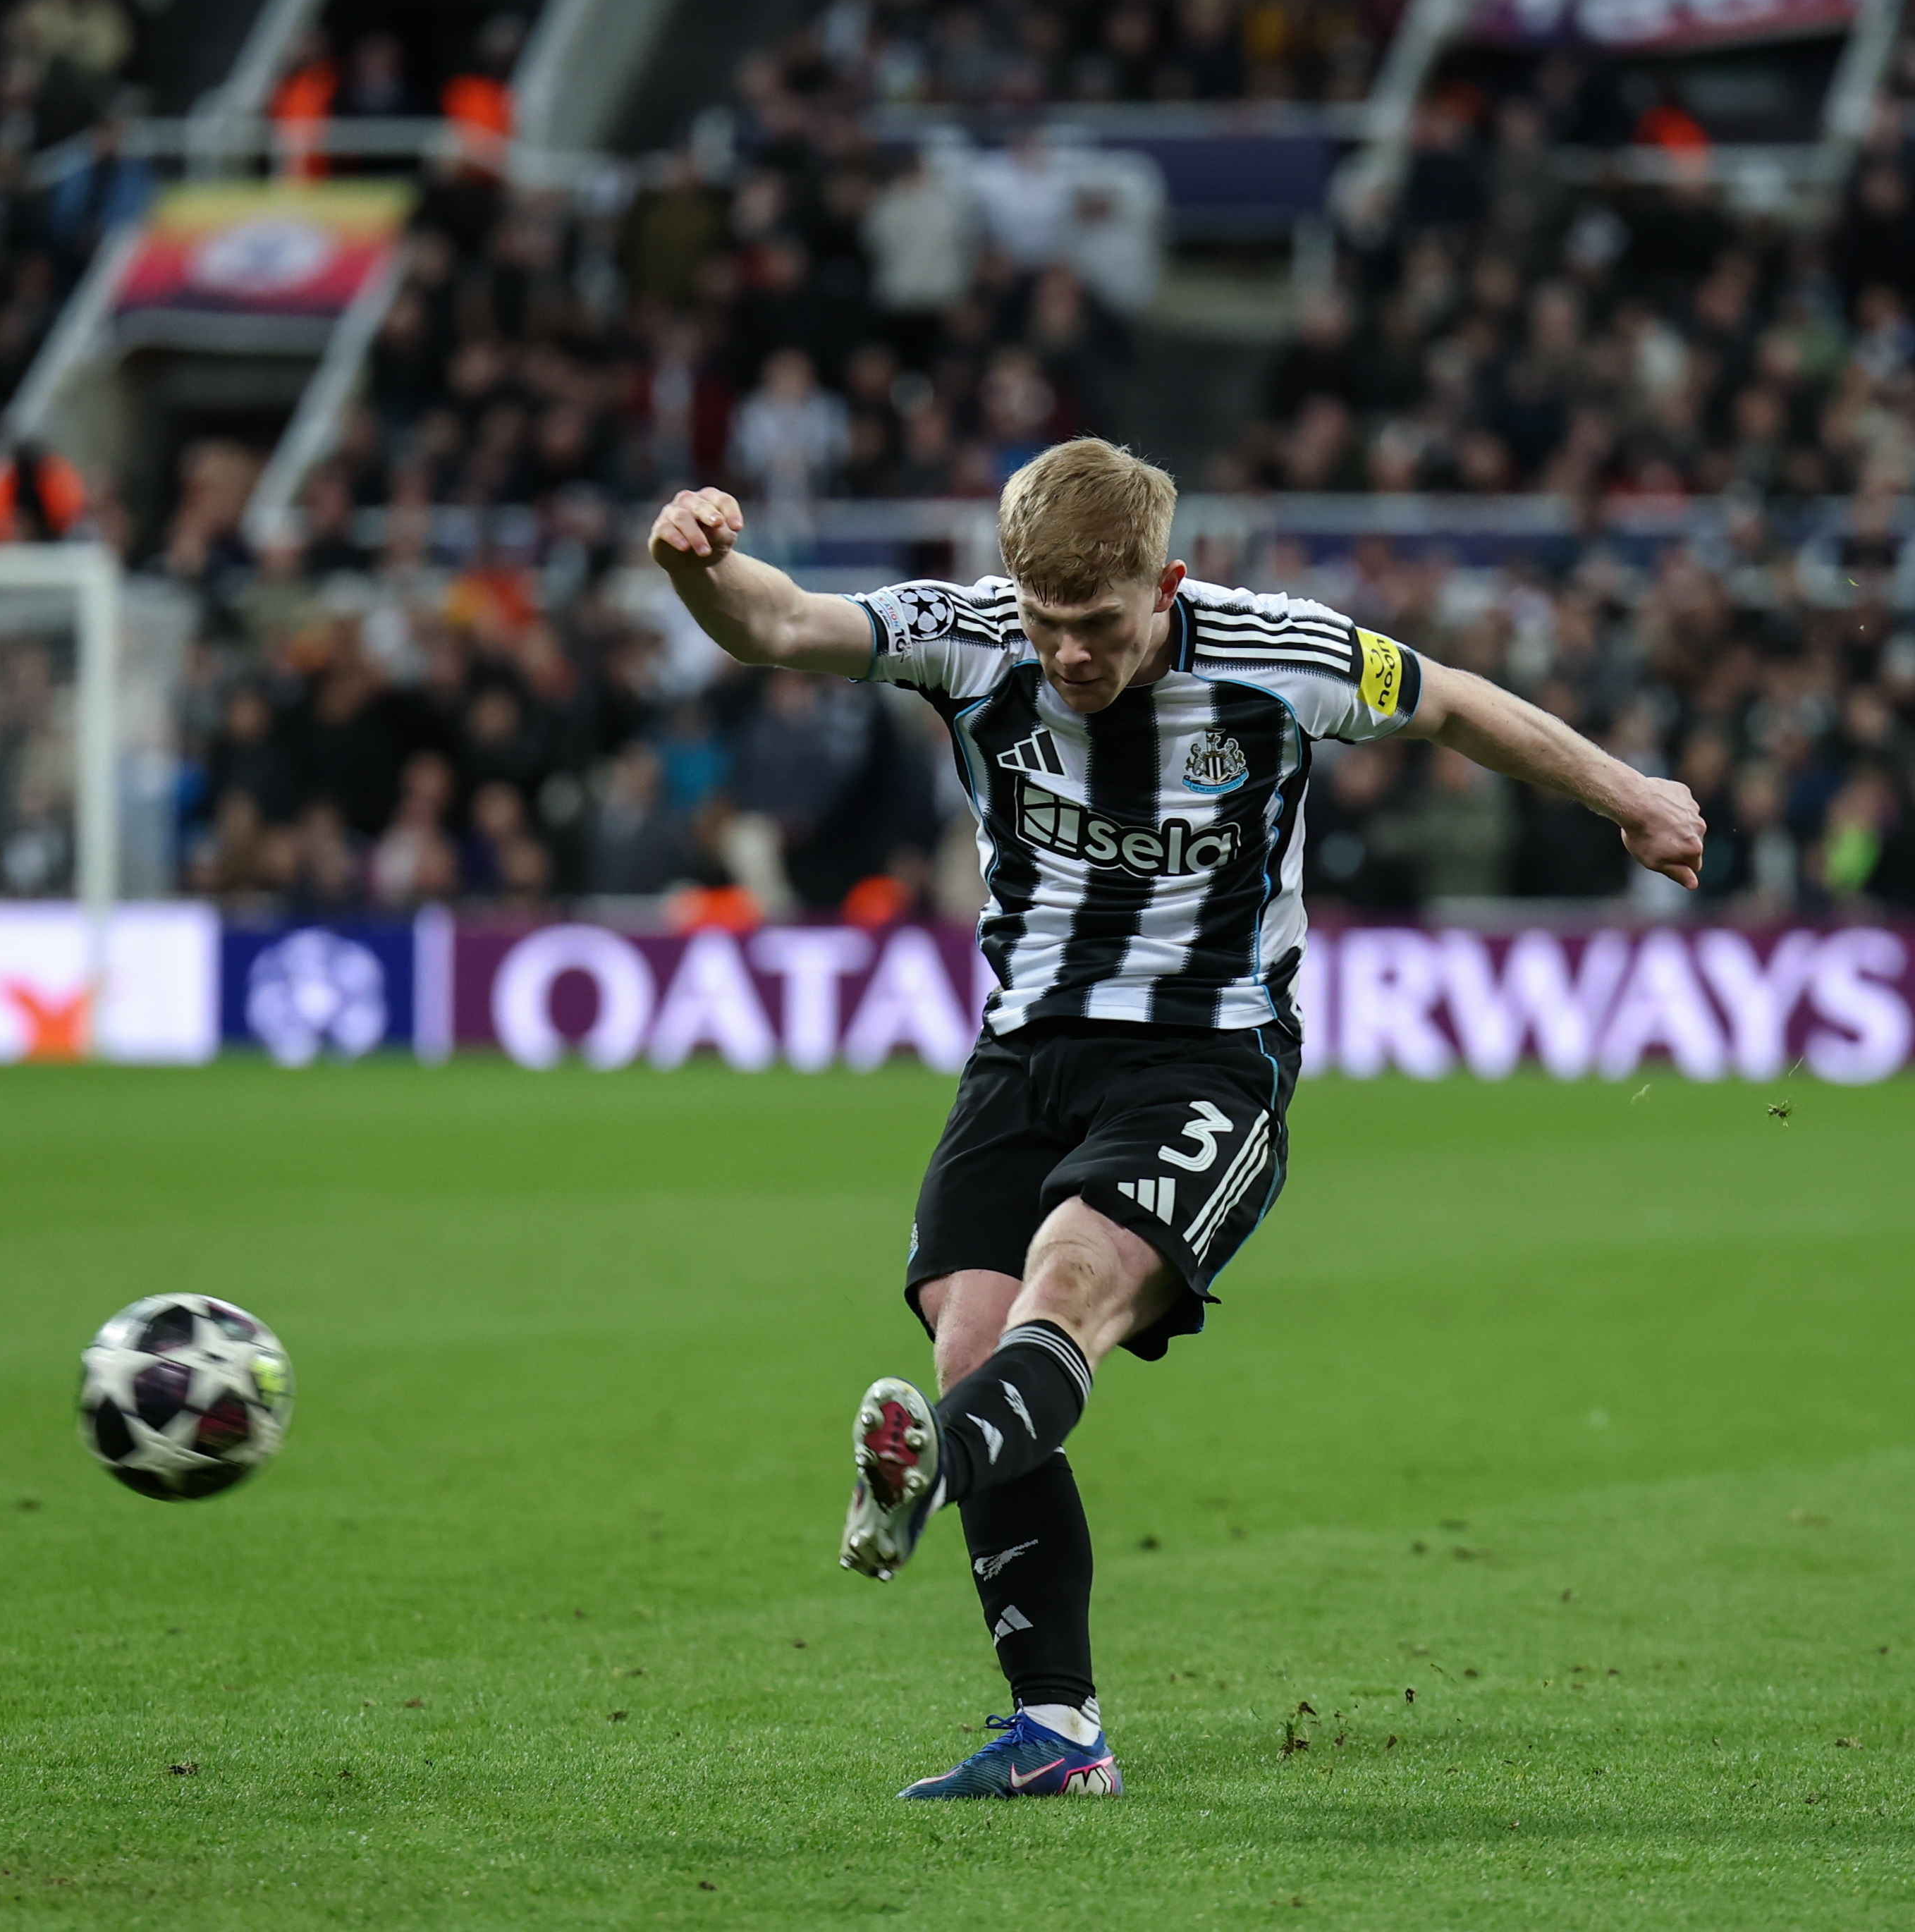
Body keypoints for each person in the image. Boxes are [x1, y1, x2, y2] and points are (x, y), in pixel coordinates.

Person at [644, 439, 1705, 1802]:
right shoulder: (972, 636)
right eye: (1047, 622)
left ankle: (928, 1474)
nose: (1069, 654)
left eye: (1098, 625)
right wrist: (700, 565)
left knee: (1066, 1288)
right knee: (969, 1334)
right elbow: (781, 622)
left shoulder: (1282, 657)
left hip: (1207, 1061)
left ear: (1168, 585)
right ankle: (1059, 1731)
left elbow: (1449, 705)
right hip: (1025, 1053)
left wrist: (1631, 795)